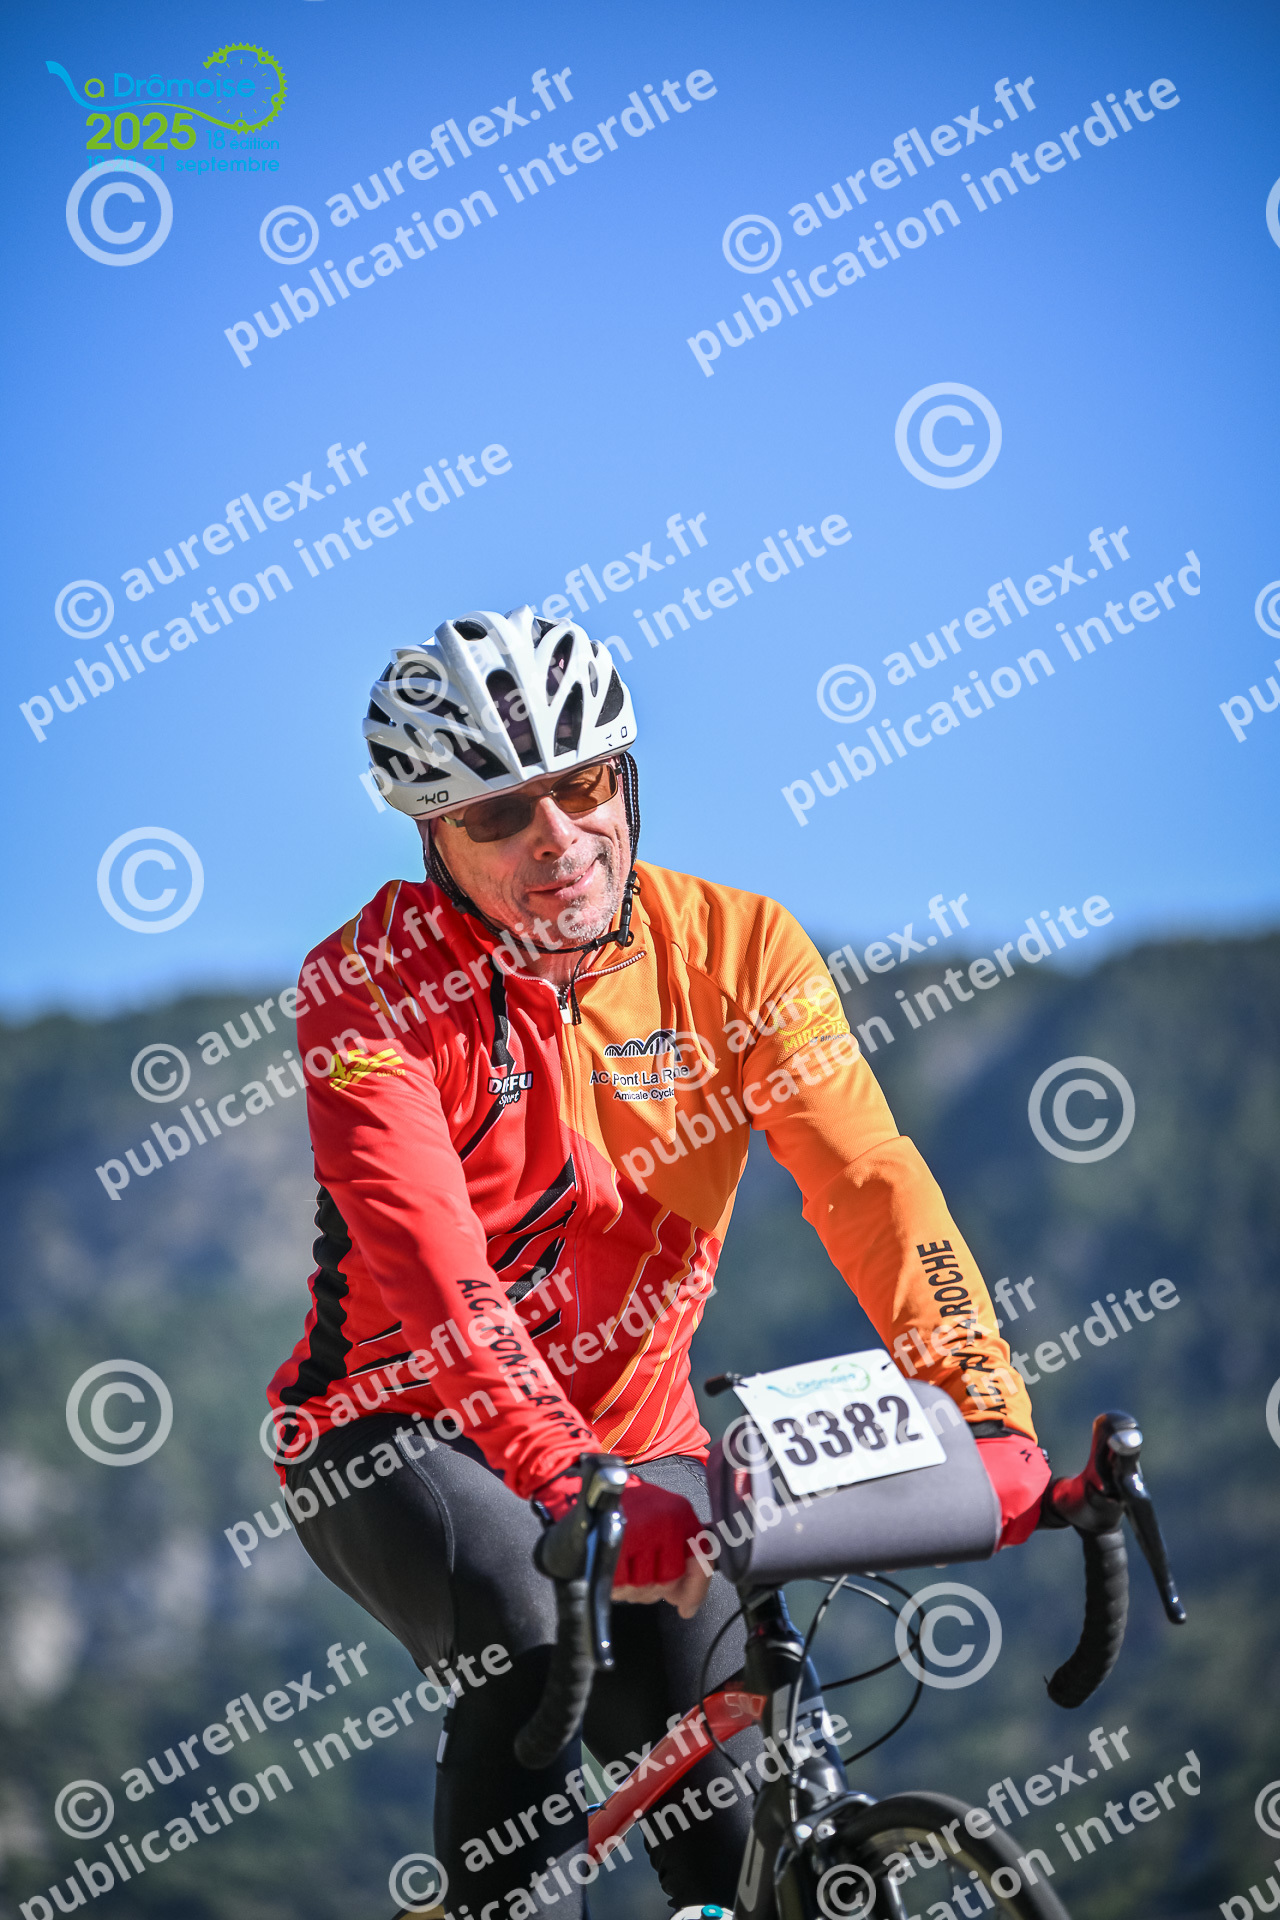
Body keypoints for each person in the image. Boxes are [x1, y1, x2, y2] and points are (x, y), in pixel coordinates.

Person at [266, 605, 1050, 1918]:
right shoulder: (370, 983)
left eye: (584, 786)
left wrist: (986, 1409)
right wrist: (557, 1473)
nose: (558, 838)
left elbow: (868, 1182)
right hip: (397, 1427)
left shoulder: (741, 952)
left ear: (627, 778)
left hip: (640, 1444)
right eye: (501, 813)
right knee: (524, 1629)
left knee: (744, 1788)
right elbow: (430, 1263)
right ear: (433, 837)